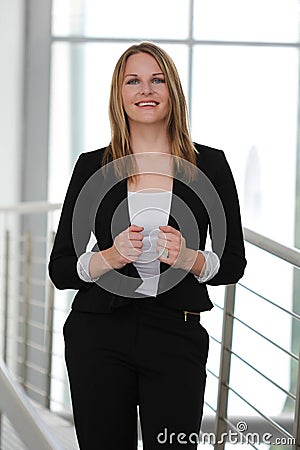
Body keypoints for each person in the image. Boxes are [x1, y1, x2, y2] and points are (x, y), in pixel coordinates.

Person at [48, 41, 246, 450]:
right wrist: (109, 257)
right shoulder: (92, 166)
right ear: (119, 95)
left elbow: (233, 263)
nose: (146, 90)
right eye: (133, 81)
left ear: (172, 89)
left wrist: (191, 258)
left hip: (177, 333)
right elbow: (61, 268)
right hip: (97, 333)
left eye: (157, 80)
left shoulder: (210, 165)